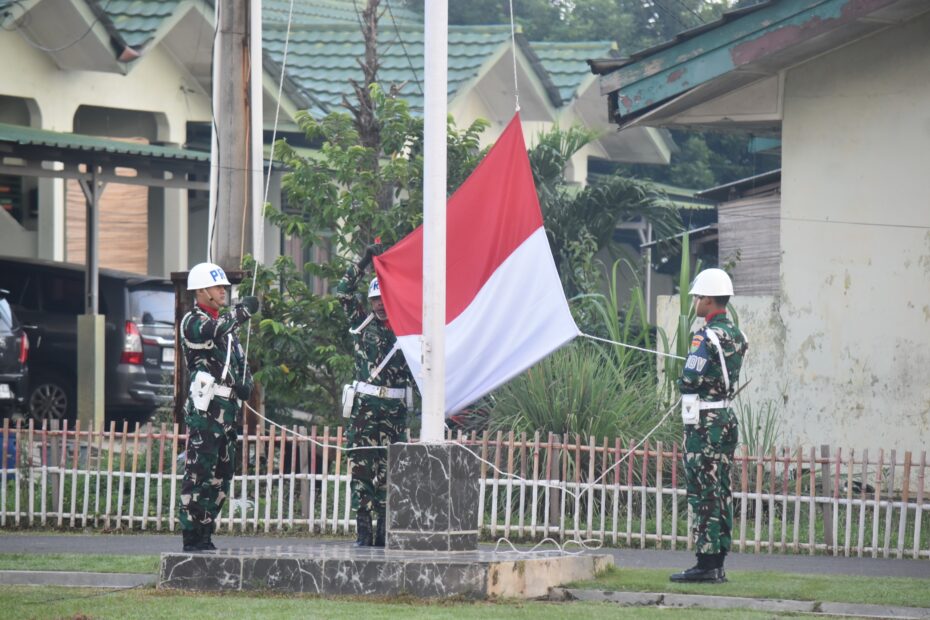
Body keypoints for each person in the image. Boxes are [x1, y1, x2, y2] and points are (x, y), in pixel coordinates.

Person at [671, 268, 748, 583]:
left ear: (709, 299)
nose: (696, 302)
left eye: (698, 297)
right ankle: (718, 562)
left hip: (705, 424)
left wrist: (684, 377)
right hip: (726, 419)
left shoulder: (705, 336)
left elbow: (690, 379)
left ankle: (705, 564)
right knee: (722, 491)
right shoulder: (736, 335)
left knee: (703, 492)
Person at [178, 262, 259, 552]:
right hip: (206, 410)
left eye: (224, 287)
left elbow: (238, 360)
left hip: (227, 410)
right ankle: (192, 534)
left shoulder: (227, 328)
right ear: (202, 291)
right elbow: (215, 329)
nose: (223, 291)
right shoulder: (193, 321)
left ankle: (207, 529)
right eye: (217, 287)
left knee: (221, 475)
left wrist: (245, 382)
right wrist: (242, 311)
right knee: (199, 472)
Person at [336, 245, 413, 548]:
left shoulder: (407, 330)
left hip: (394, 410)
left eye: (384, 298)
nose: (380, 305)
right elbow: (342, 292)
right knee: (362, 469)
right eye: (375, 300)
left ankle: (384, 530)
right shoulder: (361, 324)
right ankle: (364, 531)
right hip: (366, 409)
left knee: (390, 470)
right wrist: (364, 261)